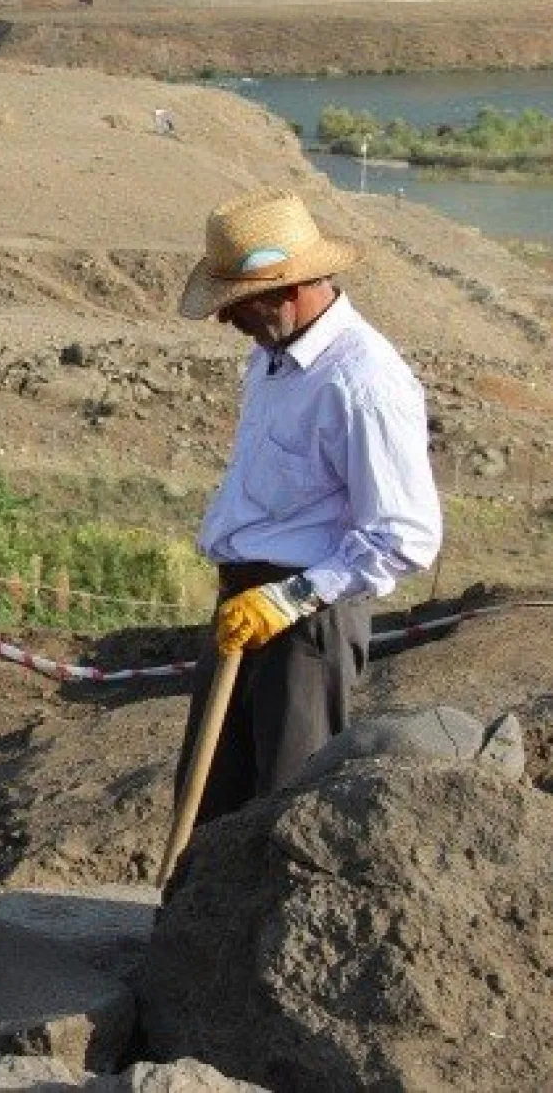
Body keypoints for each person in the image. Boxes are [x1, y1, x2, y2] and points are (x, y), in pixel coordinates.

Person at [172, 187, 442, 827]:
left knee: (283, 810)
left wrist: (289, 598)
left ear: (285, 292)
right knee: (209, 802)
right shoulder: (271, 359)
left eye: (235, 304)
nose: (225, 320)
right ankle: (193, 898)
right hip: (242, 606)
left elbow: (403, 536)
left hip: (306, 618)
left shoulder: (364, 381)